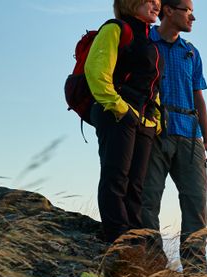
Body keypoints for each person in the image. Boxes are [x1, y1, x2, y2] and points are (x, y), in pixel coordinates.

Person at [141, 0, 207, 272]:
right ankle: (153, 270)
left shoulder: (191, 53)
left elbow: (198, 96)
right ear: (168, 10)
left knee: (196, 206)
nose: (193, 18)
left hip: (190, 134)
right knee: (147, 202)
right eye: (188, 11)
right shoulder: (144, 42)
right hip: (154, 132)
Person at [86, 0, 162, 245]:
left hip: (142, 120)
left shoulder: (148, 40)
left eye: (158, 1)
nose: (157, 4)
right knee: (116, 177)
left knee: (135, 185)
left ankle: (135, 242)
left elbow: (151, 84)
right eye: (150, 0)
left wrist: (156, 120)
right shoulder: (115, 29)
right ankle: (117, 241)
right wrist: (121, 109)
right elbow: (96, 72)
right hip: (116, 114)